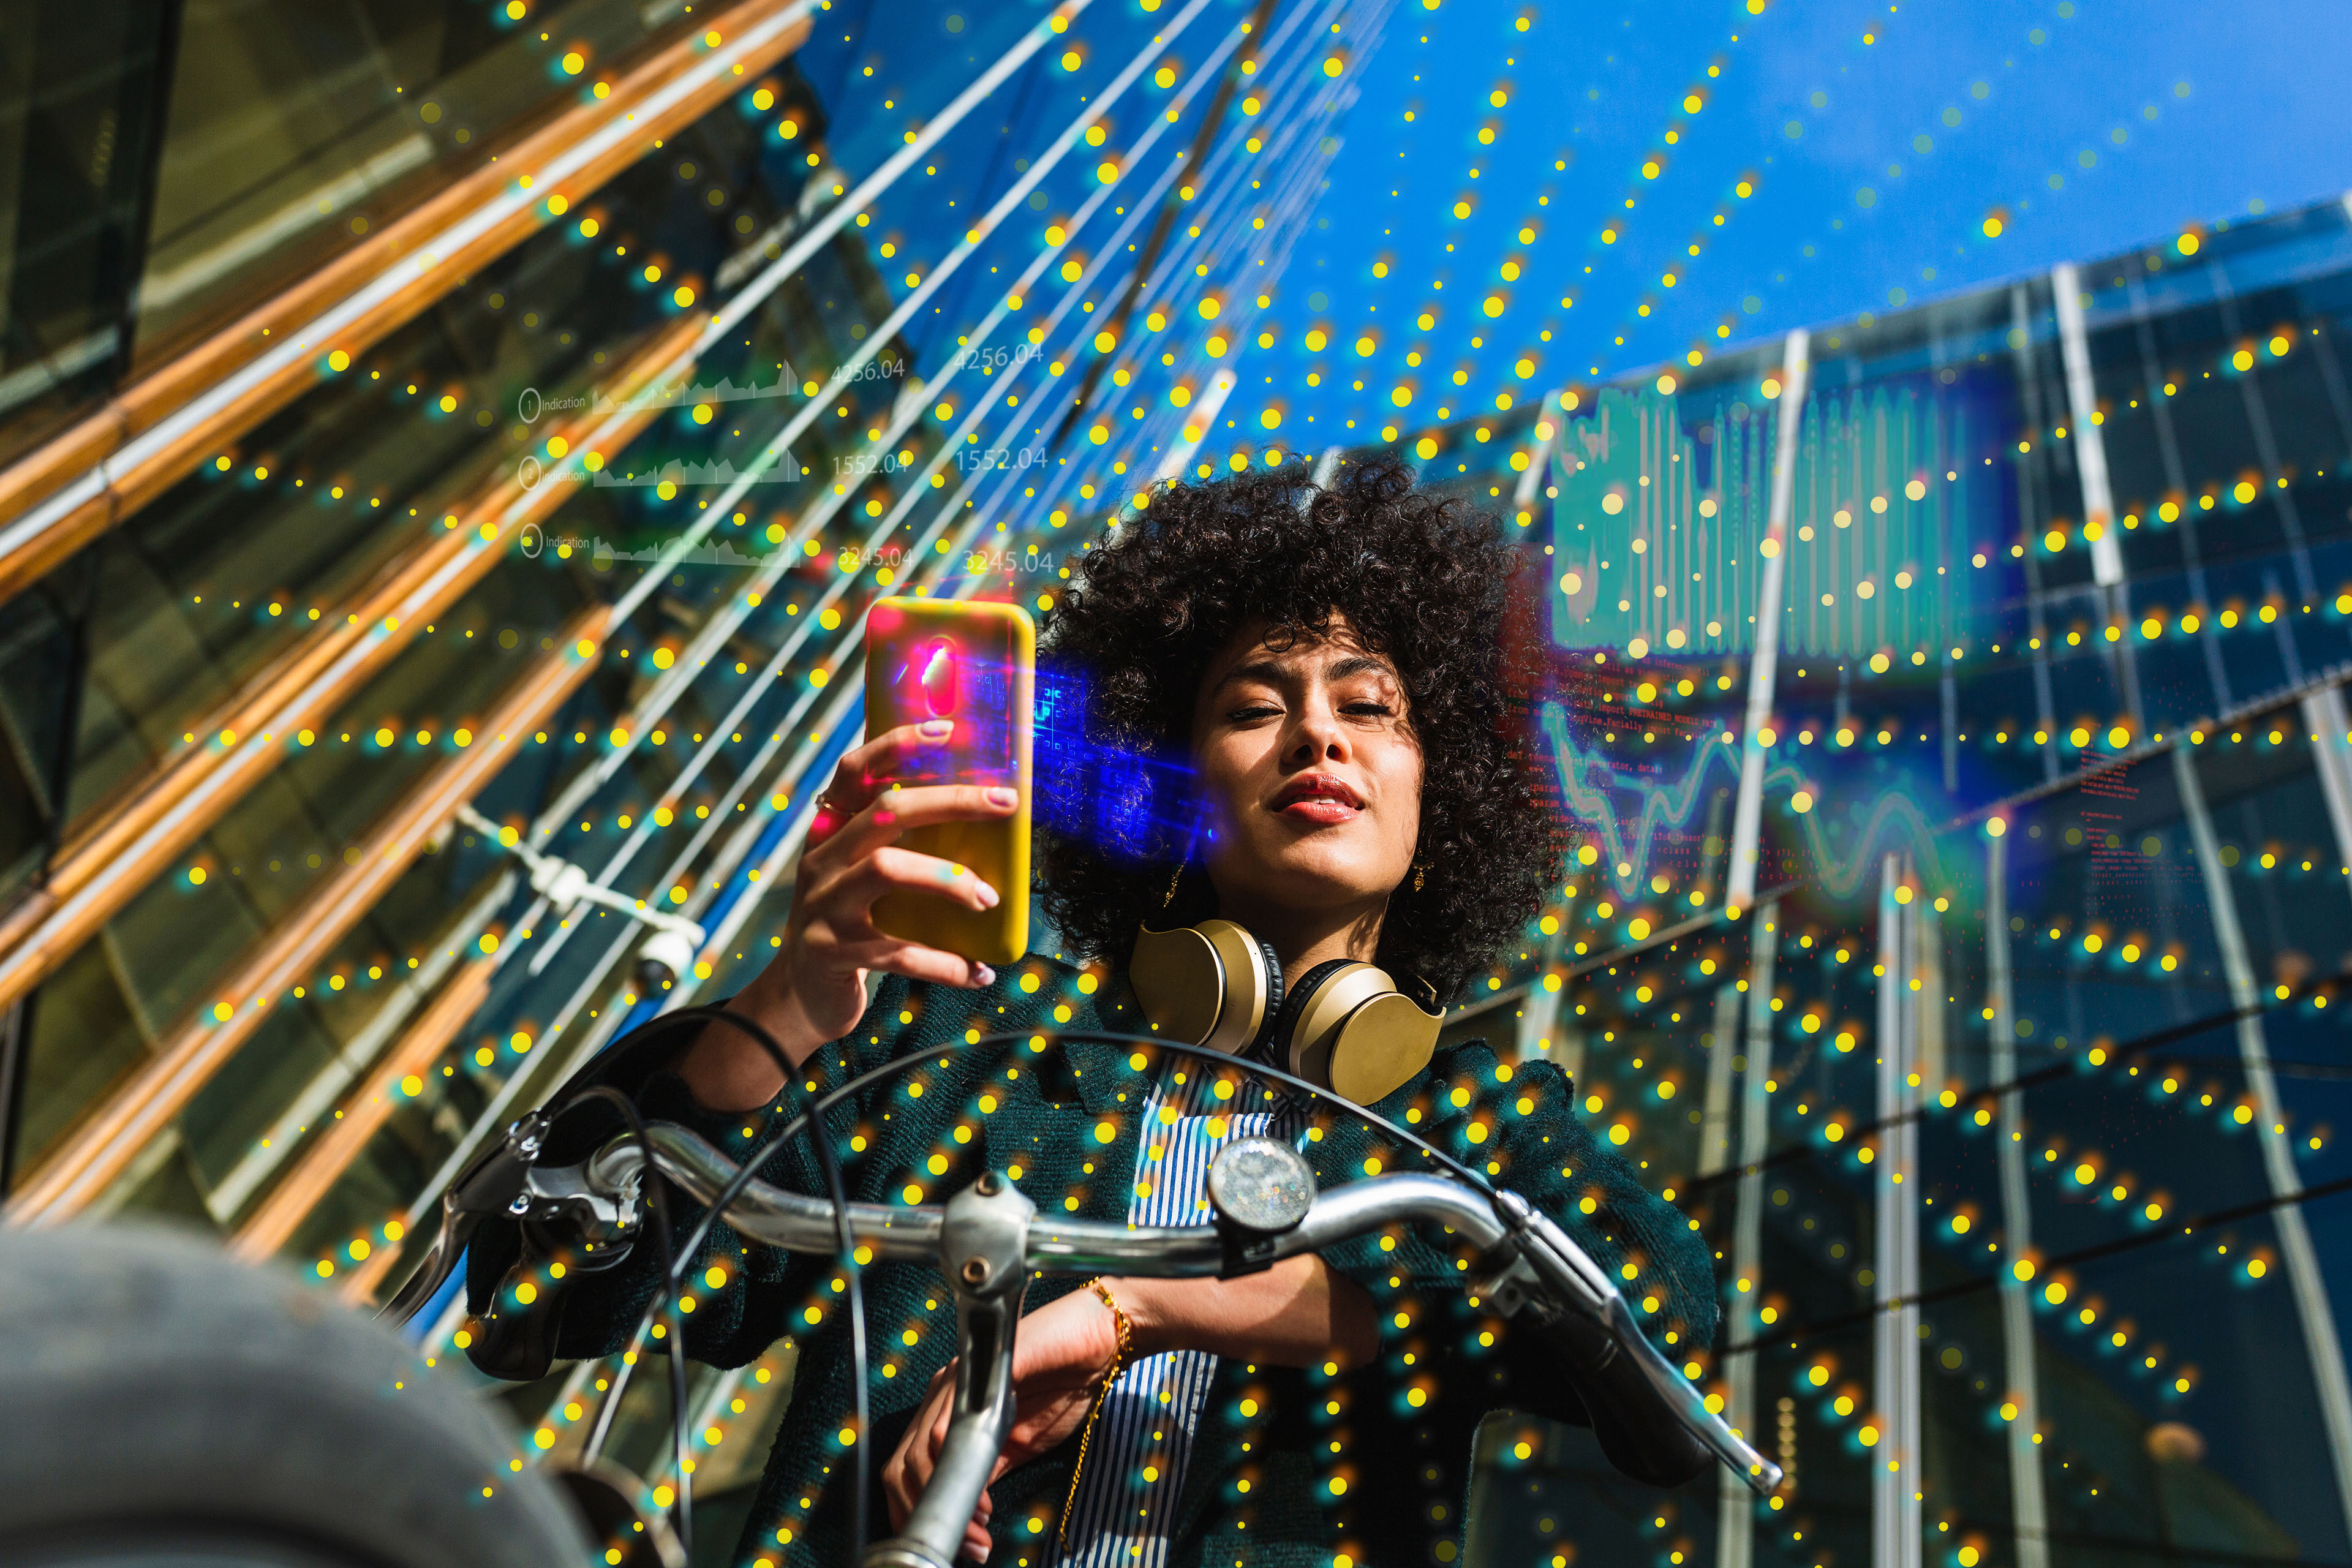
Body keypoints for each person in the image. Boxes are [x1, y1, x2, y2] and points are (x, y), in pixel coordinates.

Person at [465, 454, 1719, 1567]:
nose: (1316, 733)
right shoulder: (967, 1040)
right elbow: (548, 1295)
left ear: (1443, 794)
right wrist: (782, 1010)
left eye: (1370, 703)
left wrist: (1144, 1305)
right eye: (1252, 703)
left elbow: (1667, 1331)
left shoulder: (1470, 1112)